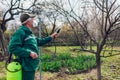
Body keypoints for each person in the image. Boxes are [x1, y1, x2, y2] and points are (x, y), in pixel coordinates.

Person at [8, 13, 59, 80]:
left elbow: (39, 41)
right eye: (32, 19)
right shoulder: (20, 32)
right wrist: (29, 53)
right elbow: (12, 47)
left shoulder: (30, 34)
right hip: (25, 66)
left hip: (31, 65)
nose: (33, 20)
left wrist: (51, 37)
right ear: (28, 21)